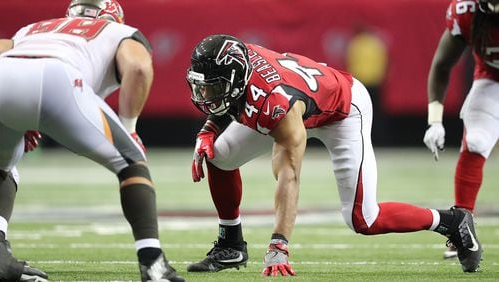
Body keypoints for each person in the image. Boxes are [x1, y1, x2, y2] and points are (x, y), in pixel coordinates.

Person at [185, 34, 483, 276]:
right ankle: (231, 244)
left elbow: (289, 175)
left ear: (236, 78)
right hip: (303, 100)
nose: (205, 97)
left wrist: (279, 244)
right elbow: (232, 98)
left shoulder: (276, 104)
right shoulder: (242, 60)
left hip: (342, 110)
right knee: (218, 155)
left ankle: (451, 221)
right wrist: (208, 131)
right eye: (202, 88)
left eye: (212, 89)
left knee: (364, 219)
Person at [0, 1, 185, 281]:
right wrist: (130, 128)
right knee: (132, 162)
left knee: (3, 165)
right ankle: (153, 264)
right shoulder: (117, 31)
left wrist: (19, 113)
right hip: (57, 78)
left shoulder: (32, 30)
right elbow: (138, 68)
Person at [424, 0, 499, 260]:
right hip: (492, 80)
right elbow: (441, 65)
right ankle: (461, 229)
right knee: (476, 141)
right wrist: (435, 120)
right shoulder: (465, 12)